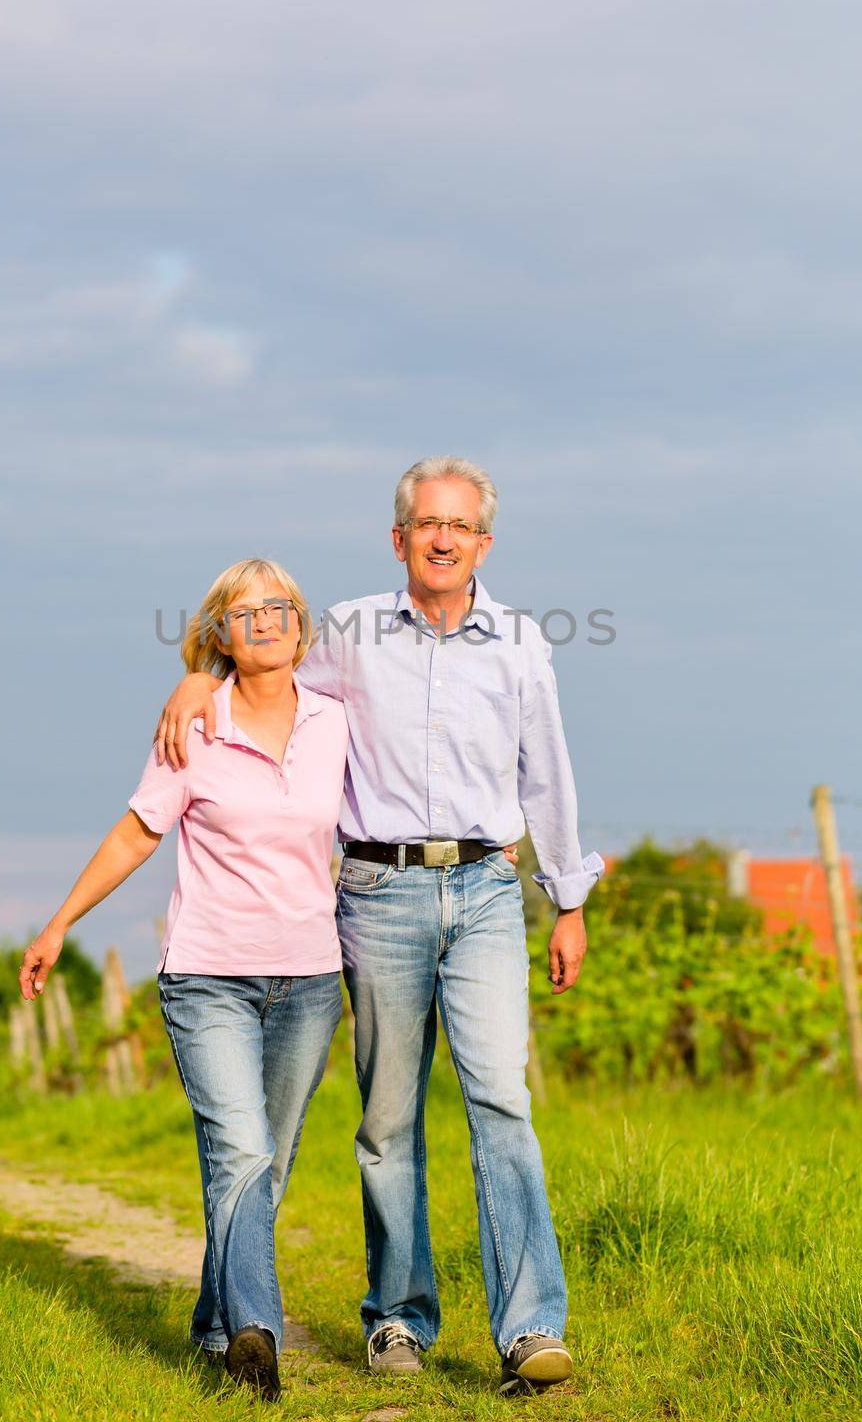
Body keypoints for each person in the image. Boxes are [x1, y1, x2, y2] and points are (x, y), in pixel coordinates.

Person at [155, 456, 604, 1399]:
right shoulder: (351, 634)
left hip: (484, 888)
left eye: (460, 526)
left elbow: (546, 770)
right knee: (388, 1118)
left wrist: (568, 899)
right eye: (425, 524)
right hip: (376, 892)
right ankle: (398, 1317)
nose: (442, 539)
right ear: (397, 538)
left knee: (502, 1101)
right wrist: (196, 682)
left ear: (484, 541)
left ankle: (529, 1329)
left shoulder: (520, 642)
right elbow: (256, 668)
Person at [18, 558, 349, 1402]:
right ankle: (256, 1339)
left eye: (281, 608)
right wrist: (61, 923)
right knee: (238, 1151)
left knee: (264, 1169)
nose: (267, 621)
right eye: (246, 613)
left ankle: (213, 1324)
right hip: (208, 975)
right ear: (221, 635)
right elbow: (137, 831)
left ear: (302, 628)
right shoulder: (193, 729)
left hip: (309, 976)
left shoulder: (339, 721)